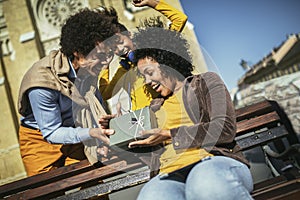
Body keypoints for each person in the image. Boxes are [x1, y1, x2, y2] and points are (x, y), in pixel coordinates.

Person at [124, 27, 254, 199]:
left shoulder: (204, 83)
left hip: (213, 162)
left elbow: (224, 128)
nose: (147, 81)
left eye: (149, 73)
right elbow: (146, 153)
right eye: (144, 76)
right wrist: (116, 129)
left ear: (168, 63)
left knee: (205, 184)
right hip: (169, 174)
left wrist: (170, 134)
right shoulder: (153, 108)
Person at [17, 8, 117, 176]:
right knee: (44, 191)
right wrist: (91, 132)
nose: (106, 62)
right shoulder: (41, 82)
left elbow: (95, 110)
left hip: (78, 132)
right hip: (40, 140)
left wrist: (104, 125)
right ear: (77, 52)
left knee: (93, 183)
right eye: (99, 56)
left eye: (109, 54)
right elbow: (51, 132)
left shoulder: (89, 71)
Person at [99, 0, 188, 112]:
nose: (120, 49)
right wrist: (105, 66)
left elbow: (180, 19)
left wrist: (150, 3)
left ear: (129, 34)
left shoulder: (154, 49)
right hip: (145, 124)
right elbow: (105, 94)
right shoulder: (124, 68)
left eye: (120, 42)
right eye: (114, 49)